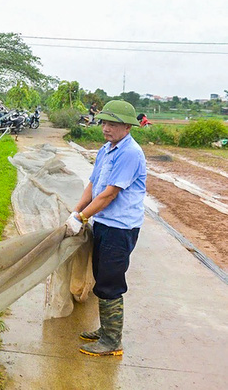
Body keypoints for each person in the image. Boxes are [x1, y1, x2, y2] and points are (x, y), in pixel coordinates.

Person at [65, 100, 146, 357]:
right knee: (102, 277)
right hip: (105, 223)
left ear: (126, 126)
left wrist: (82, 218)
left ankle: (112, 341)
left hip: (120, 228)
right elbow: (93, 185)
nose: (105, 128)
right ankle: (106, 330)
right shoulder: (106, 149)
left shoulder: (130, 153)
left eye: (112, 124)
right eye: (104, 123)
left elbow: (109, 194)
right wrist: (77, 212)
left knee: (110, 282)